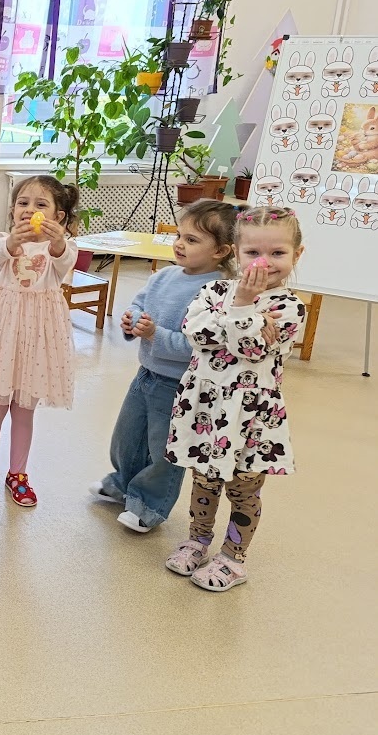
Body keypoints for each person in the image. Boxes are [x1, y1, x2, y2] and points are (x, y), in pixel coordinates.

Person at [163, 206, 307, 591]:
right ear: (236, 252)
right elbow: (197, 334)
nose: (264, 262)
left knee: (243, 488)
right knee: (204, 479)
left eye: (277, 253)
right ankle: (198, 539)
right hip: (207, 410)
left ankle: (233, 557)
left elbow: (250, 349)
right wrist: (245, 317)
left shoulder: (289, 308)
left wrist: (241, 308)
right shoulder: (213, 290)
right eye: (253, 252)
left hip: (252, 418)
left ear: (297, 254)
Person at [90, 201, 237, 532]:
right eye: (179, 235)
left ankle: (149, 505)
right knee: (127, 437)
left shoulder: (219, 292)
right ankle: (123, 485)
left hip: (180, 385)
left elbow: (200, 346)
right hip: (145, 374)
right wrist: (131, 320)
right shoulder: (165, 275)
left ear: (221, 251)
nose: (180, 244)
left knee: (165, 449)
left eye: (192, 240)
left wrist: (156, 334)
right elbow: (139, 303)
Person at [0, 175, 78, 506]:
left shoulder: (61, 248)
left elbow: (65, 264)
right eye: (23, 203)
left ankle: (18, 474)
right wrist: (13, 240)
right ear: (12, 210)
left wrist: (58, 242)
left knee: (25, 410)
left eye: (41, 204)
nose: (29, 209)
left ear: (58, 216)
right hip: (4, 332)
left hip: (39, 336)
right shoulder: (3, 240)